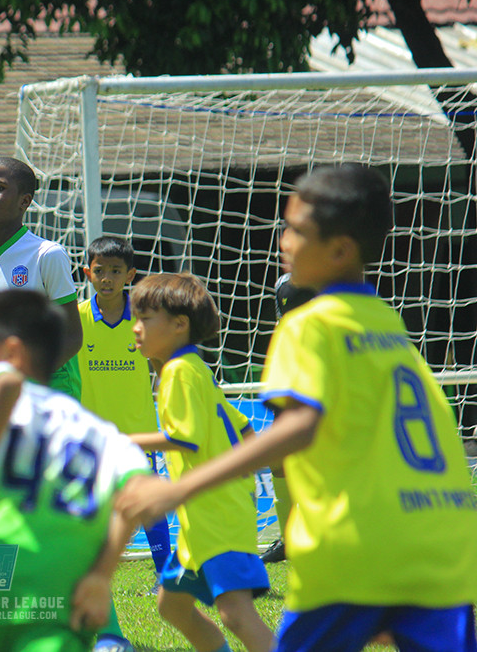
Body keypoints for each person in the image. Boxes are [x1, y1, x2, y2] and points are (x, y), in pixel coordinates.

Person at [118, 164, 477, 652]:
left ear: (339, 249)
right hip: (442, 538)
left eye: (295, 230)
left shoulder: (309, 324)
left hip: (355, 541)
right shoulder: (388, 325)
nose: (282, 241)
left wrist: (179, 488)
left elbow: (300, 426)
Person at [0, 289, 151, 652]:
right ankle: (112, 637)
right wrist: (102, 574)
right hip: (62, 578)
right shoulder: (99, 432)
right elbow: (140, 491)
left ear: (12, 354)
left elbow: (5, 385)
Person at [124, 271, 275, 652]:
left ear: (180, 325)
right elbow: (244, 427)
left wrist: (123, 439)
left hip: (217, 514)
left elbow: (185, 438)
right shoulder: (195, 369)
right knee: (171, 605)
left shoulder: (179, 372)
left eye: (145, 319)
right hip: (205, 516)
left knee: (235, 614)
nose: (135, 327)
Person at [77, 236, 171, 595]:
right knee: (89, 509)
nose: (107, 278)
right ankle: (88, 575)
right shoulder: (77, 318)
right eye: (100, 271)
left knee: (149, 505)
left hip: (138, 433)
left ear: (130, 275)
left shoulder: (144, 318)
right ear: (88, 273)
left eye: (116, 271)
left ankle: (165, 576)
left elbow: (163, 366)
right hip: (92, 436)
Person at [0, 157, 83, 399]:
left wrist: (26, 377)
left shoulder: (47, 254)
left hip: (52, 389)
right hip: (7, 391)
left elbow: (73, 336)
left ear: (24, 201)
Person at [259, 272, 316, 564]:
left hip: (321, 381)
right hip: (295, 379)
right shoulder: (283, 284)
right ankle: (288, 539)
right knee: (278, 460)